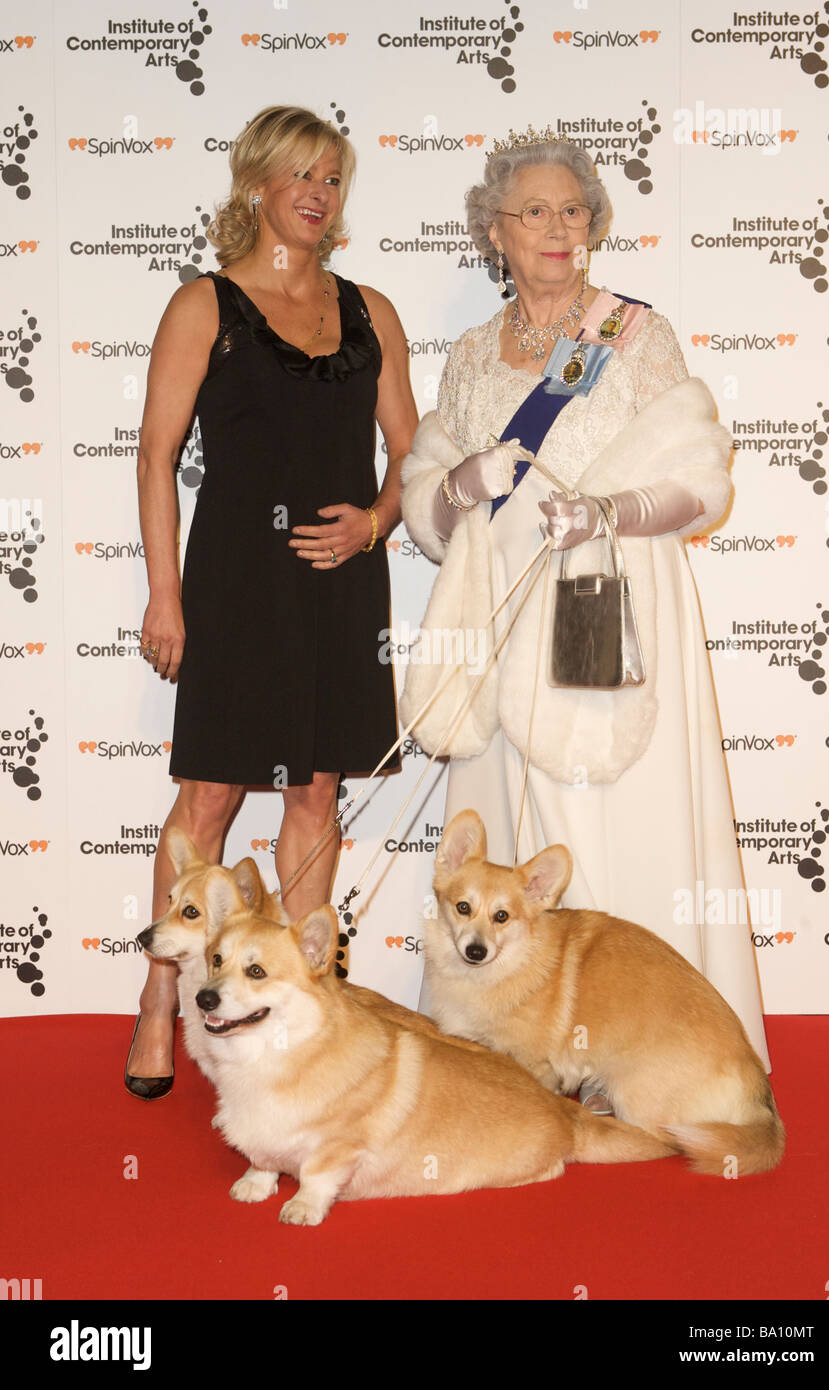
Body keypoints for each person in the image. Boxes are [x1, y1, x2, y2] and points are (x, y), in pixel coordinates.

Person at [400, 128, 769, 1107]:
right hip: (503, 615)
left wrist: (609, 513)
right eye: (535, 212)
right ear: (495, 233)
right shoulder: (475, 357)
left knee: (613, 817)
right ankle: (515, 1055)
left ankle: (641, 1047)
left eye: (574, 210)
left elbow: (700, 482)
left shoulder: (634, 337)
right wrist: (459, 484)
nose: (558, 228)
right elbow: (431, 511)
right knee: (514, 828)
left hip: (611, 605)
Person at [126, 106, 418, 1097]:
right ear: (257, 185)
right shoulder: (203, 305)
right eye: (301, 175)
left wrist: (376, 522)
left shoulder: (371, 309)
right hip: (238, 585)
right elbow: (158, 455)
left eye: (333, 178)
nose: (318, 194)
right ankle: (162, 1002)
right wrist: (165, 595)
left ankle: (298, 1004)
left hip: (343, 583)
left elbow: (412, 455)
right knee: (208, 798)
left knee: (316, 793)